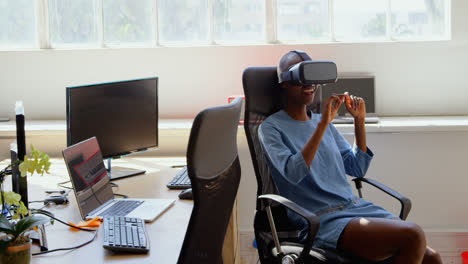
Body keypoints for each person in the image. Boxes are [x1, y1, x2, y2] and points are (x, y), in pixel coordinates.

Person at [258, 50, 442, 264]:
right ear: (285, 83)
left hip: (354, 208)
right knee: (413, 235)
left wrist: (359, 121)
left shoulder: (321, 122)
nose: (310, 84)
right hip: (322, 219)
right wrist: (322, 125)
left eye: (313, 78)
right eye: (301, 78)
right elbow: (294, 173)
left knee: (432, 257)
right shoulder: (271, 128)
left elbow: (357, 168)